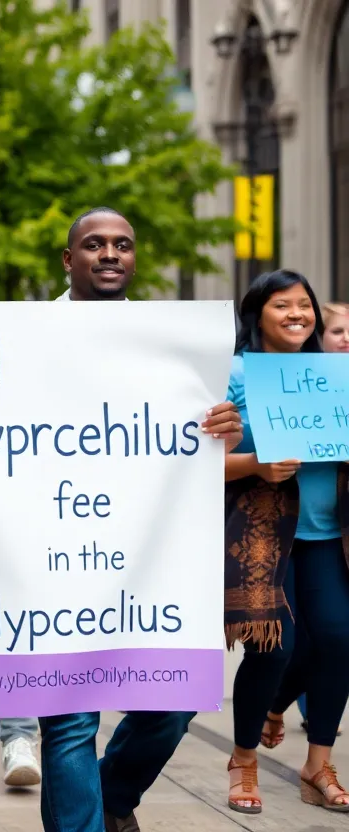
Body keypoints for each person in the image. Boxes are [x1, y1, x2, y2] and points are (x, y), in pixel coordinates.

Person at [0, 208, 244, 832]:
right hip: (49, 560)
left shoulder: (175, 346)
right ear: (68, 259)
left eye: (123, 244)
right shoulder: (21, 337)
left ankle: (110, 798)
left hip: (146, 558)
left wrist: (221, 430)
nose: (110, 253)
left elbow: (190, 446)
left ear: (135, 259)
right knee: (71, 716)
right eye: (94, 244)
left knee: (173, 703)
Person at [223, 270, 349, 813]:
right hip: (263, 535)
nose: (298, 314)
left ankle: (317, 763)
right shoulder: (232, 374)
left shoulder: (336, 374)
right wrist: (255, 463)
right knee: (277, 647)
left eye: (305, 305)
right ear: (257, 314)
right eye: (283, 305)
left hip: (327, 532)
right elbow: (198, 463)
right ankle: (244, 758)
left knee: (340, 640)